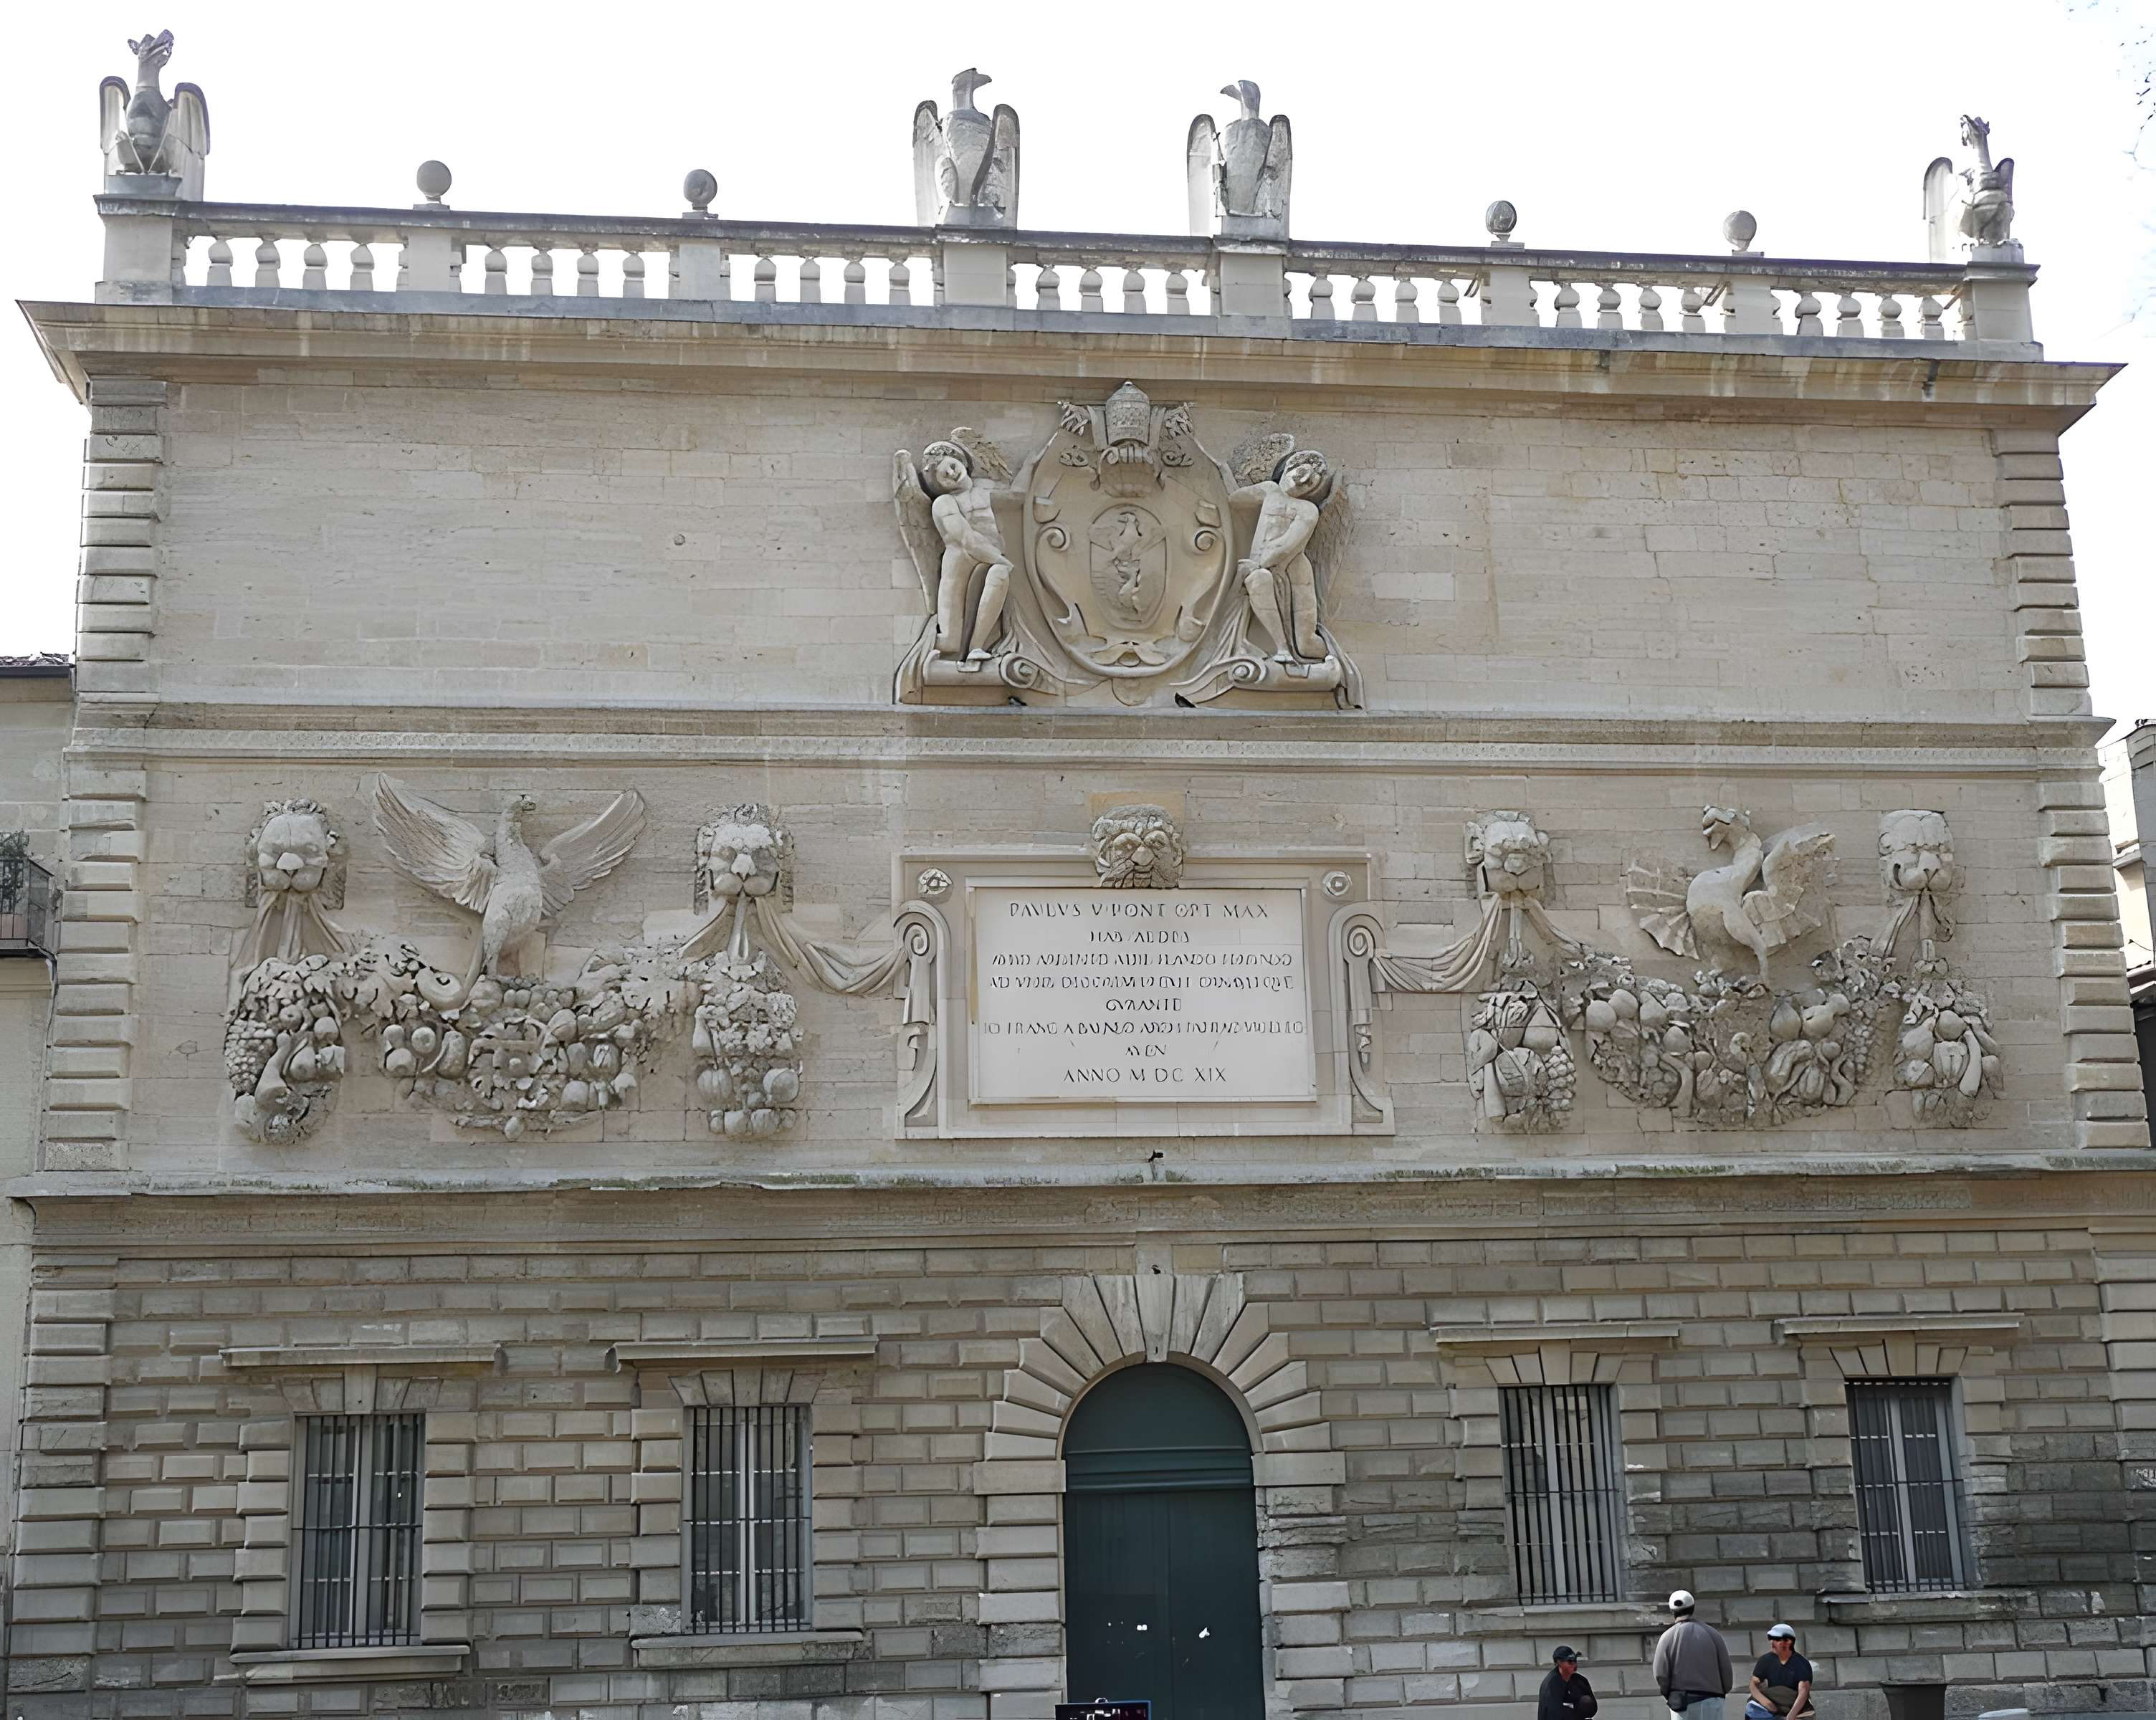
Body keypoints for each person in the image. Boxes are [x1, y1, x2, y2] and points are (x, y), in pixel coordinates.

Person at [1653, 1589, 1733, 1720]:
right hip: (1713, 1700)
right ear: (1693, 1608)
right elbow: (1726, 1672)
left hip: (1682, 1702)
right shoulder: (1713, 1634)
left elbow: (1660, 1674)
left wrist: (1669, 1694)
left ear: (1672, 1611)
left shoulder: (1667, 1637)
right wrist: (1720, 1693)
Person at [1747, 1625, 1814, 1720]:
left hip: (1796, 1709)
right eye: (1772, 1639)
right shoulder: (1765, 1660)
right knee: (1752, 1710)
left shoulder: (1801, 1663)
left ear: (1788, 1642)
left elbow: (1803, 1692)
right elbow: (1753, 1684)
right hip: (1771, 1707)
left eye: (1777, 1639)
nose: (1773, 1643)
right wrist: (1767, 1703)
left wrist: (1790, 1717)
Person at [1539, 1647, 1598, 1720]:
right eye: (1570, 1661)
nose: (1574, 1664)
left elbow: (1591, 1708)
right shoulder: (1552, 1684)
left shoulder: (1579, 1680)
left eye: (1575, 1660)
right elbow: (1553, 1714)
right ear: (1559, 1662)